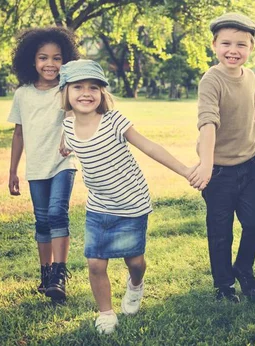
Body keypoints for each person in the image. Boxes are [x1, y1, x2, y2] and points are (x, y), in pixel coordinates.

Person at [59, 59, 195, 334]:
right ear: (66, 93)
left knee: (134, 261)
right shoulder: (68, 126)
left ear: (102, 94)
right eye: (78, 87)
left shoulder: (113, 121)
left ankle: (135, 285)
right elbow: (68, 143)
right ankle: (106, 313)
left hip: (132, 204)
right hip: (98, 206)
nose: (86, 93)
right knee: (95, 263)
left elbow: (149, 147)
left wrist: (185, 171)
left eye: (93, 87)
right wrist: (64, 147)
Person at [189, 13, 255, 302]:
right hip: (219, 172)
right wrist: (207, 164)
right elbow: (207, 122)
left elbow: (254, 116)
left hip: (250, 166)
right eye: (226, 43)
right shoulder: (211, 80)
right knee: (220, 232)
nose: (233, 50)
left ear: (251, 48)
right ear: (214, 45)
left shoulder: (251, 77)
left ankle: (243, 268)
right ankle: (224, 285)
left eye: (241, 44)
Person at [7, 27, 80, 302]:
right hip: (36, 166)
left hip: (63, 162)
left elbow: (75, 117)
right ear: (31, 61)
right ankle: (46, 273)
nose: (50, 64)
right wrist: (12, 171)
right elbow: (18, 133)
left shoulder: (67, 89)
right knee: (42, 220)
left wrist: (67, 136)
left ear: (66, 60)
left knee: (57, 215)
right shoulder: (23, 94)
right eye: (43, 58)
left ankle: (60, 274)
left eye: (57, 58)